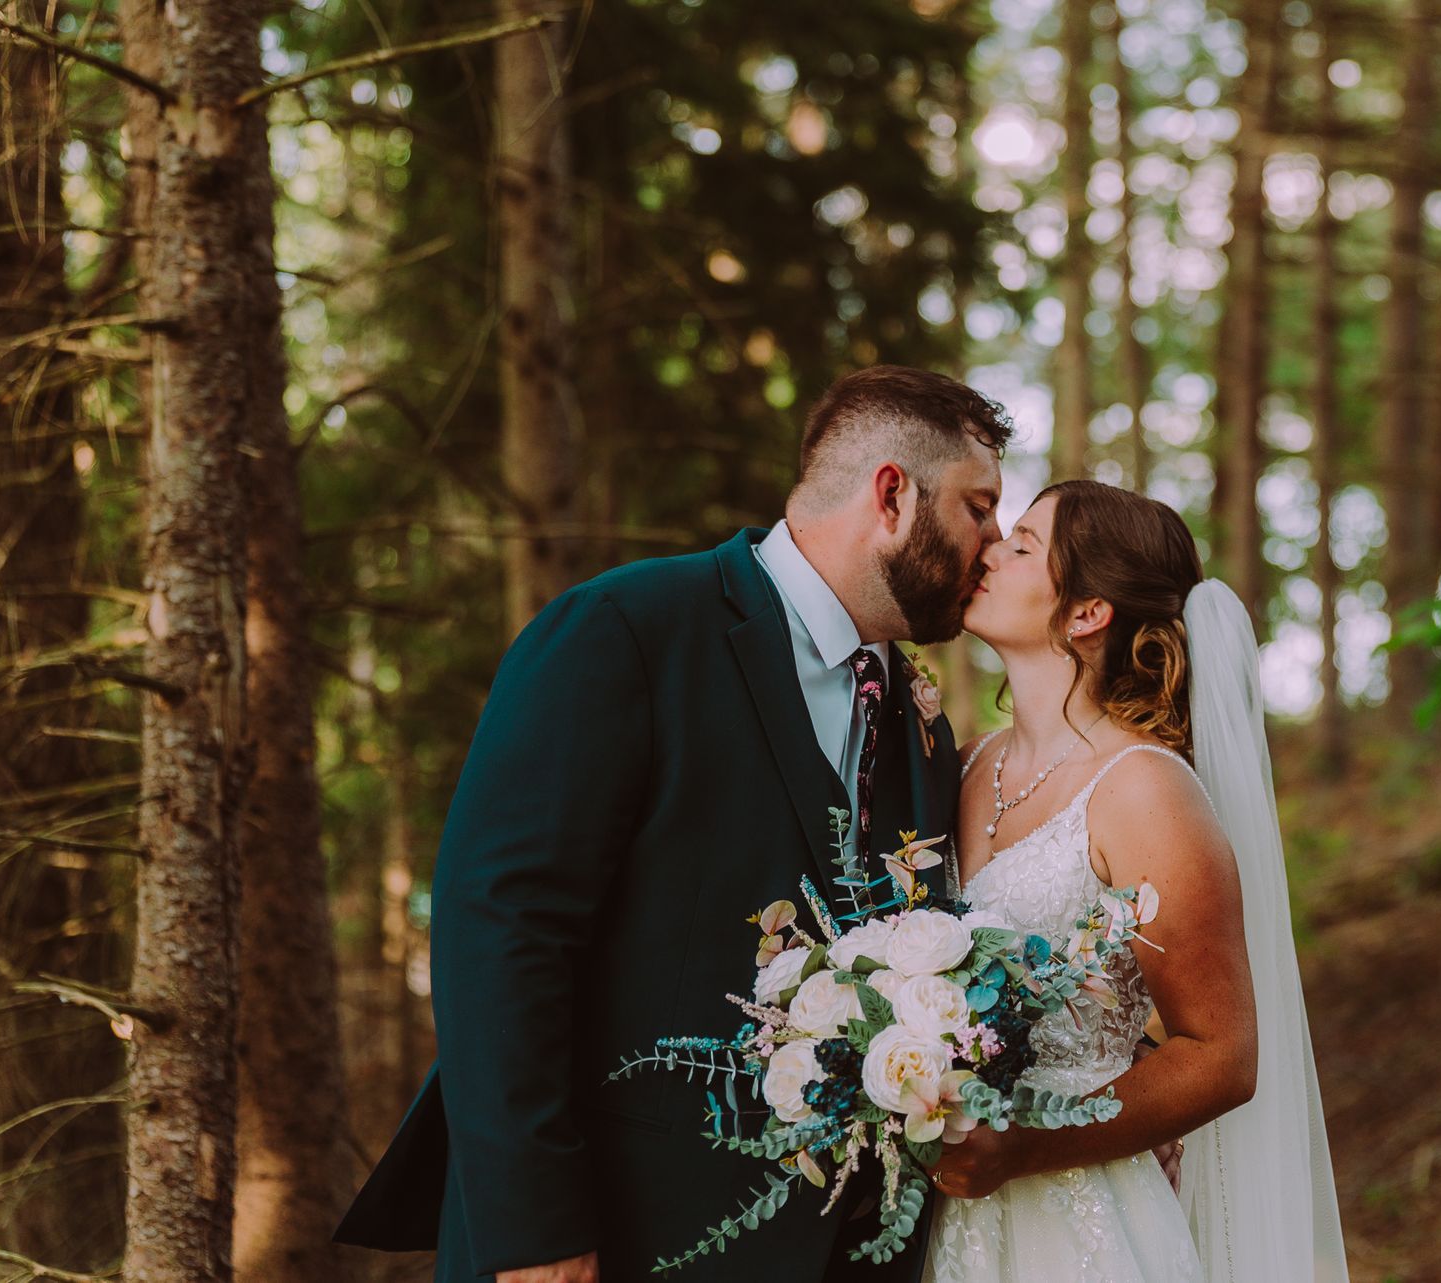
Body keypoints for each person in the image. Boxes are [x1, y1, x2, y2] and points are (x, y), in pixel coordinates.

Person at [332, 366, 1011, 1283]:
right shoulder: (627, 628)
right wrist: (533, 1230)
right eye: (980, 507)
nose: (994, 543)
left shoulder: (921, 726)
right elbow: (500, 929)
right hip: (614, 1233)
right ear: (892, 494)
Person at [921, 480, 1350, 1283]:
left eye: (1021, 545)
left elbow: (1222, 1053)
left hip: (1082, 1222)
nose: (988, 551)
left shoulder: (1144, 789)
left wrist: (1029, 1144)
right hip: (949, 1222)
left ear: (1086, 612)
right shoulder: (962, 762)